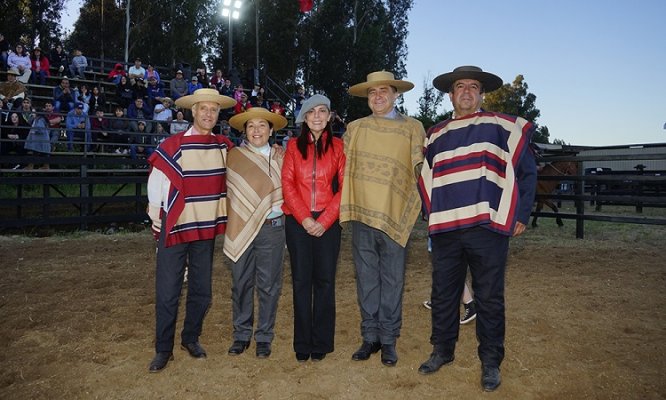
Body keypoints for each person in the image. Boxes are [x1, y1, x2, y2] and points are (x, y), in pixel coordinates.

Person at [416, 66, 537, 392]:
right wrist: (431, 214)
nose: (466, 91)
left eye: (473, 86)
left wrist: (521, 213)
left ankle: (491, 360)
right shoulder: (436, 134)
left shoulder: (502, 127)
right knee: (443, 295)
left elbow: (527, 171)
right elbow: (425, 178)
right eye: (460, 86)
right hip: (446, 230)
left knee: (489, 297)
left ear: (482, 94)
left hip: (487, 227)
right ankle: (442, 350)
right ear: (451, 94)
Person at [145, 88, 236, 372]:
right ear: (193, 111)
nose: (208, 114)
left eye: (214, 110)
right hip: (175, 227)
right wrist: (155, 214)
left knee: (202, 290)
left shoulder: (224, 147)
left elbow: (248, 164)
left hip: (205, 228)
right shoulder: (173, 145)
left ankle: (190, 338)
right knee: (168, 291)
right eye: (203, 109)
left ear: (218, 114)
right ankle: (163, 348)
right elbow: (157, 183)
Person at [341, 71, 425, 367]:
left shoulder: (412, 129)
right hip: (362, 214)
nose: (378, 97)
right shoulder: (355, 128)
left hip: (394, 215)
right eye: (372, 92)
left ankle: (388, 339)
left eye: (384, 91)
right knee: (366, 279)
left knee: (392, 279)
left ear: (395, 95)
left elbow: (421, 171)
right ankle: (370, 337)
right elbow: (339, 164)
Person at [281, 94, 345, 363]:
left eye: (322, 111)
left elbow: (345, 187)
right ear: (304, 118)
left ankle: (321, 342)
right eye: (311, 112)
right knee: (300, 281)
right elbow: (288, 185)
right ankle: (302, 342)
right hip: (298, 222)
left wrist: (325, 220)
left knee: (325, 281)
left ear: (329, 116)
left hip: (329, 223)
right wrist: (305, 219)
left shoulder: (340, 147)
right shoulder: (293, 148)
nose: (317, 116)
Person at [223, 107, 288, 359]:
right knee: (240, 282)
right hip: (240, 226)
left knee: (269, 285)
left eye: (262, 125)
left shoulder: (282, 157)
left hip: (272, 229)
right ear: (245, 131)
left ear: (271, 130)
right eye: (251, 126)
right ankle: (241, 335)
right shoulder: (233, 157)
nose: (257, 130)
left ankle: (264, 336)